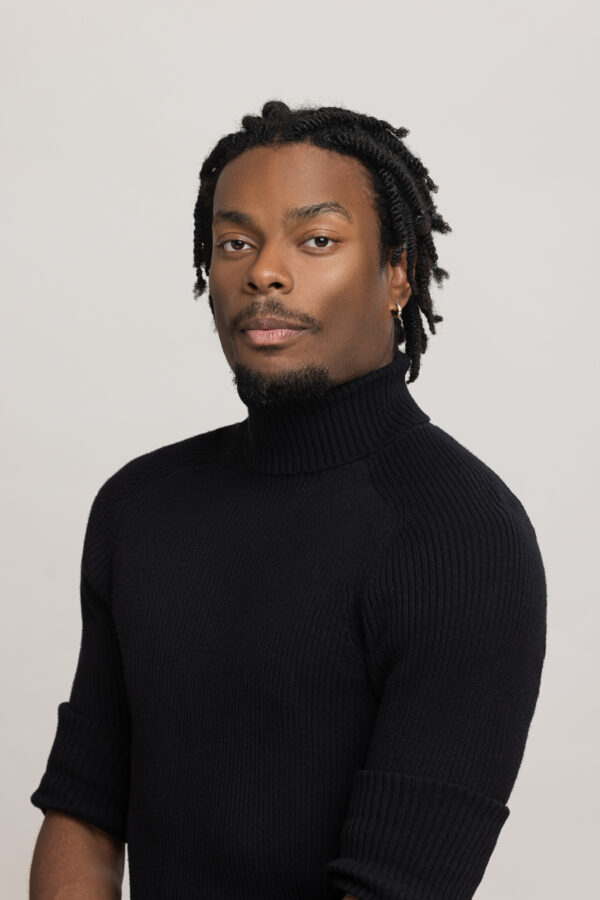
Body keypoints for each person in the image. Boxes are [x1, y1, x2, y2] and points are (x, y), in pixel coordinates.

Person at [29, 99, 547, 900]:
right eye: (235, 242)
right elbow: (85, 814)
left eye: (317, 240)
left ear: (398, 273)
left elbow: (395, 887)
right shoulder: (139, 508)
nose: (263, 272)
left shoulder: (461, 538)